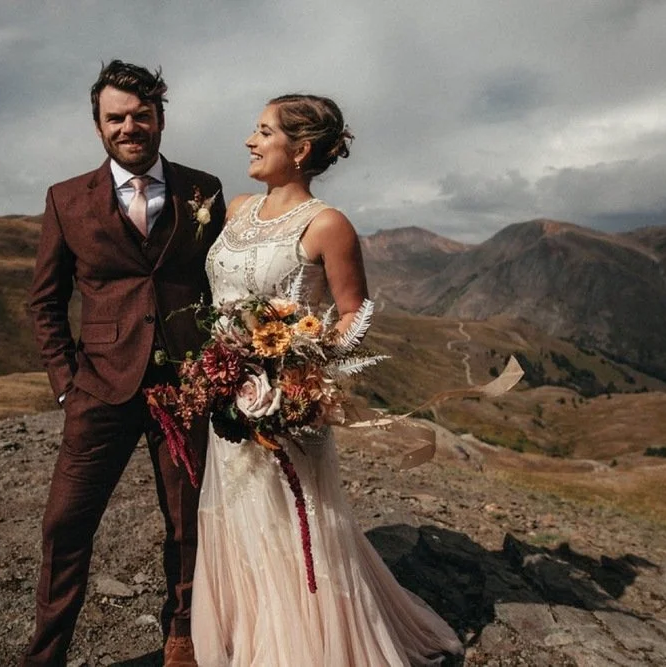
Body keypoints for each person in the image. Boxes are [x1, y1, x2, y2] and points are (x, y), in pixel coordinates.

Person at [191, 94, 465, 665]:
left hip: (286, 407)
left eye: (263, 131)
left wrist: (296, 365)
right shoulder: (237, 207)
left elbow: (353, 317)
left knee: (294, 523)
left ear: (301, 149)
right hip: (230, 399)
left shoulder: (327, 225)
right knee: (238, 517)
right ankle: (250, 638)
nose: (249, 140)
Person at [24, 60, 225, 666]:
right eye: (116, 118)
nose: (129, 126)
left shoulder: (204, 190)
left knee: (189, 522)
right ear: (99, 127)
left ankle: (183, 634)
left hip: (187, 385)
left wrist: (221, 368)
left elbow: (221, 285)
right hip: (99, 388)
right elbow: (45, 300)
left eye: (141, 115)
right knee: (64, 527)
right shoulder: (66, 199)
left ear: (160, 118)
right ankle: (46, 655)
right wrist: (66, 383)